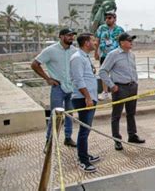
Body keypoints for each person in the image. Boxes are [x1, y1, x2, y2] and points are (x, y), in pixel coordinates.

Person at [31, 28, 78, 149]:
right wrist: (47, 78)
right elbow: (34, 64)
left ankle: (68, 138)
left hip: (71, 87)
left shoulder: (74, 50)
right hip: (58, 88)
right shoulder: (50, 50)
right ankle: (49, 141)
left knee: (69, 115)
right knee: (55, 116)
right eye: (69, 35)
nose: (71, 37)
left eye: (72, 35)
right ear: (61, 36)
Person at [99, 32, 145, 151]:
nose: (131, 43)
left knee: (131, 113)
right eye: (129, 40)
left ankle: (132, 135)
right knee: (116, 115)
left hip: (132, 87)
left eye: (132, 40)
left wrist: (135, 82)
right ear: (122, 42)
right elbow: (103, 71)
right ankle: (117, 140)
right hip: (120, 88)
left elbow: (133, 70)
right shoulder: (113, 54)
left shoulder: (132, 55)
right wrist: (112, 86)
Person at [70, 33, 100, 173]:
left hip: (90, 97)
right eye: (93, 40)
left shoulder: (85, 57)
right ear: (87, 42)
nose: (95, 42)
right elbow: (78, 80)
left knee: (86, 129)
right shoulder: (77, 58)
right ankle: (83, 160)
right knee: (84, 130)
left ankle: (85, 153)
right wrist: (88, 97)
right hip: (83, 99)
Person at [94, 0, 125, 101]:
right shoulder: (101, 28)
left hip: (116, 55)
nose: (107, 19)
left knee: (116, 72)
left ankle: (115, 90)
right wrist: (96, 52)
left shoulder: (120, 29)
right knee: (104, 72)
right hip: (104, 54)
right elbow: (97, 40)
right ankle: (105, 92)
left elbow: (123, 42)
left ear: (115, 19)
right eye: (106, 18)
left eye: (109, 18)